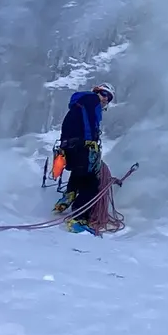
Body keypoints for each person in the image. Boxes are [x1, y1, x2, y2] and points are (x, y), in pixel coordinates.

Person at [55, 85, 114, 230]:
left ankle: (69, 193)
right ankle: (79, 218)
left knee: (80, 172)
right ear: (97, 92)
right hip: (82, 146)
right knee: (91, 182)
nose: (106, 99)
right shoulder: (91, 99)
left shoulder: (78, 104)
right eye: (104, 94)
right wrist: (90, 141)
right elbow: (89, 123)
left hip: (69, 146)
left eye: (109, 97)